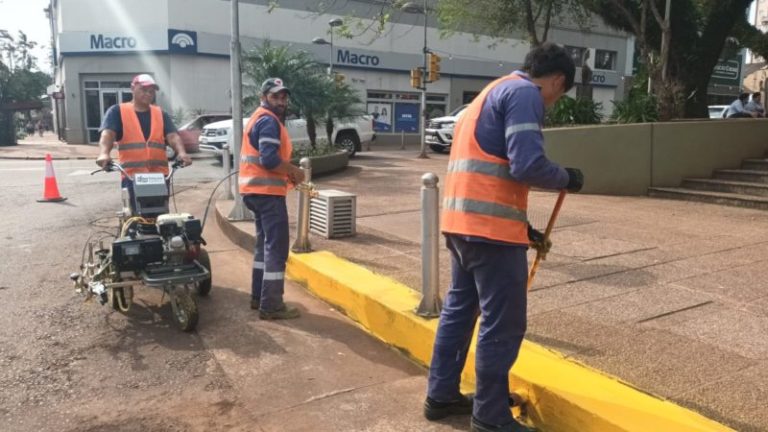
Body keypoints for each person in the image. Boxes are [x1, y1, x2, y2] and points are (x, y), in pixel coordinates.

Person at [423, 43, 584, 432]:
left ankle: (440, 395)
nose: (554, 103)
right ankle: (491, 416)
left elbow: (490, 165)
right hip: (491, 235)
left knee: (459, 314)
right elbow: (527, 164)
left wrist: (522, 226)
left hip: (462, 226)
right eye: (559, 96)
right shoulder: (525, 94)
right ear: (558, 81)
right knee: (504, 324)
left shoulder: (491, 92)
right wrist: (568, 177)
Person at [240, 77, 306, 320]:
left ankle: (258, 297)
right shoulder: (268, 121)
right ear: (264, 97)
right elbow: (269, 160)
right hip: (267, 195)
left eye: (283, 97)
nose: (280, 101)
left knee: (263, 247)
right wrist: (294, 171)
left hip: (253, 193)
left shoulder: (259, 117)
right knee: (276, 249)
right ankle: (272, 305)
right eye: (275, 96)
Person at [95, 74, 192, 210]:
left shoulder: (160, 113)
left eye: (151, 91)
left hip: (159, 176)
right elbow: (108, 134)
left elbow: (172, 136)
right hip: (132, 177)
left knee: (161, 216)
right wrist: (104, 153)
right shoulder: (118, 111)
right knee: (134, 217)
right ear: (132, 88)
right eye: (143, 89)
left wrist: (182, 153)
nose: (148, 94)